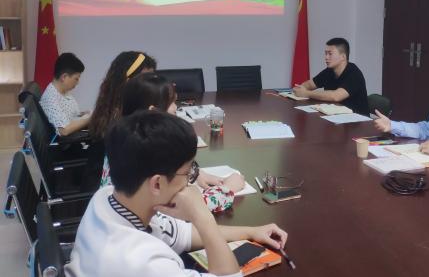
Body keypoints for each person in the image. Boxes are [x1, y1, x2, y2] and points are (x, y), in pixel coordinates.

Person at [65, 111, 288, 277]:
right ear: (157, 184)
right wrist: (204, 217)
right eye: (187, 173)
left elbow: (182, 234)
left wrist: (252, 232)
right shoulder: (144, 264)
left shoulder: (109, 198)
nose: (189, 183)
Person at [99, 72, 244, 213]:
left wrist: (195, 173)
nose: (176, 108)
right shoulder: (150, 151)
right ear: (153, 111)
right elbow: (179, 210)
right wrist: (228, 189)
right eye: (172, 103)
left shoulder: (123, 135)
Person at [89, 51, 157, 139]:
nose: (152, 85)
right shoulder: (122, 118)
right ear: (127, 81)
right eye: (147, 79)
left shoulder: (108, 111)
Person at [292, 37, 369, 115]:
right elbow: (309, 84)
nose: (326, 57)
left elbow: (336, 96)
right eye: (326, 53)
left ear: (343, 57)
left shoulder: (354, 73)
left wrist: (306, 93)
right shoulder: (329, 71)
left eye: (330, 54)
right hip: (334, 116)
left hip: (357, 119)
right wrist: (301, 89)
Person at [40, 52, 91, 136]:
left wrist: (84, 114)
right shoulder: (50, 98)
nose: (78, 82)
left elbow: (70, 115)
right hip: (69, 142)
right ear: (64, 77)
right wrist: (90, 118)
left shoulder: (64, 92)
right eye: (76, 79)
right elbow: (64, 130)